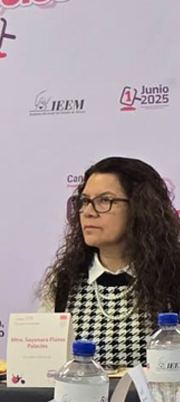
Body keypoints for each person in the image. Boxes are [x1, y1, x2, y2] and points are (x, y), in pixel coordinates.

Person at [38, 156, 180, 369]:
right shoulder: (64, 283)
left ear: (140, 208)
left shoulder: (173, 278)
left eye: (105, 201)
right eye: (84, 201)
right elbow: (42, 365)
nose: (88, 212)